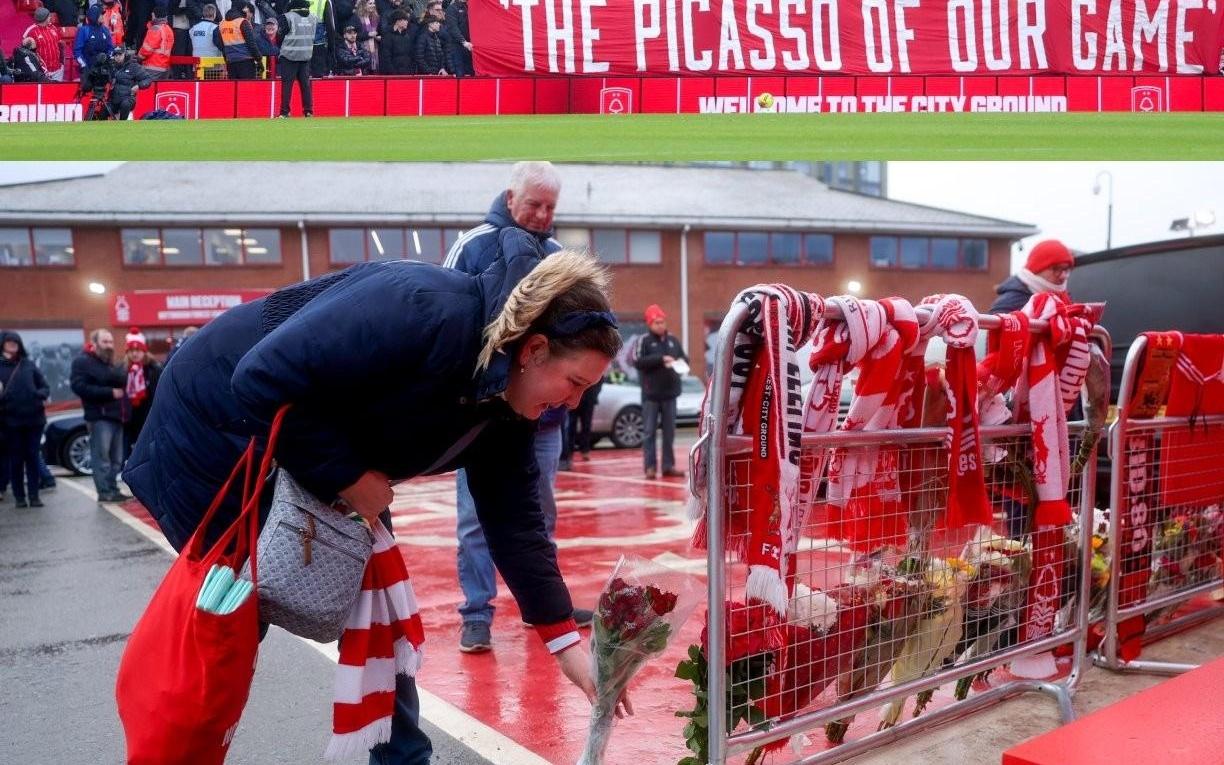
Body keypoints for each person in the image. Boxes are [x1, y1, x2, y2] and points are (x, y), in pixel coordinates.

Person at [124, 248, 628, 764]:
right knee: (229, 622)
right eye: (575, 384)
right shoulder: (418, 308)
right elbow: (260, 378)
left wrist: (562, 641)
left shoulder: (510, 399)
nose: (574, 405)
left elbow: (514, 519)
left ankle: (402, 760)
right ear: (534, 349)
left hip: (329, 455)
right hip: (221, 432)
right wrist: (348, 477)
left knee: (380, 613)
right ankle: (179, 753)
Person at [443, 162, 578, 653]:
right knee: (474, 519)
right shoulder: (472, 245)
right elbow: (447, 320)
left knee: (539, 514)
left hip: (544, 416)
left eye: (550, 207)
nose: (542, 215)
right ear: (510, 198)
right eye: (533, 204)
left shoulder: (559, 256)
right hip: (483, 413)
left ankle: (540, 607)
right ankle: (476, 614)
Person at [71, 329, 130, 502]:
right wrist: (109, 392)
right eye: (105, 342)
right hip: (99, 417)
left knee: (116, 459)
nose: (109, 345)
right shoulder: (82, 362)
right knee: (102, 457)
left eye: (111, 342)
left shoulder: (109, 362)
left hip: (117, 416)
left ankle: (112, 489)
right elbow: (79, 387)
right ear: (94, 343)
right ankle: (104, 492)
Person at [634, 304, 687, 480]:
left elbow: (684, 358)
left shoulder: (673, 340)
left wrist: (680, 363)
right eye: (657, 322)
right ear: (649, 324)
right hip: (651, 395)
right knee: (649, 432)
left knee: (669, 433)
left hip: (670, 394)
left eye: (662, 321)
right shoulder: (643, 341)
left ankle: (668, 466)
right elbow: (637, 361)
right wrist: (660, 359)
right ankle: (650, 467)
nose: (661, 325)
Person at [1, 332, 49, 510]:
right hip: (10, 421)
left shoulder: (28, 364)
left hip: (34, 420)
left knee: (32, 457)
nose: (13, 344)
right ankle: (19, 497)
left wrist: (38, 394)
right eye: (9, 341)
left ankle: (34, 496)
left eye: (16, 341)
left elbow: (45, 387)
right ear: (2, 344)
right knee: (16, 460)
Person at [989, 239, 1074, 314]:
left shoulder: (1065, 299)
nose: (1063, 276)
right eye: (1056, 269)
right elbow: (990, 327)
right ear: (1037, 268)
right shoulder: (1010, 302)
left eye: (1066, 269)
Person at [121, 328, 162, 461]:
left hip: (148, 415)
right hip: (129, 417)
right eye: (131, 351)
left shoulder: (153, 368)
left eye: (138, 350)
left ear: (144, 351)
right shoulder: (123, 369)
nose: (135, 354)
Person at [83, 46, 153, 120]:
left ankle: (122, 124)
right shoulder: (111, 66)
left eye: (120, 54)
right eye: (116, 55)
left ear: (125, 54)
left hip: (128, 98)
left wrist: (139, 86)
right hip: (113, 100)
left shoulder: (133, 66)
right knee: (102, 114)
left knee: (125, 104)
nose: (118, 57)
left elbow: (148, 79)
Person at [275, 0, 317, 117]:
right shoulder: (313, 18)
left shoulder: (287, 17)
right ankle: (308, 111)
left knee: (287, 85)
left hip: (289, 55)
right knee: (305, 85)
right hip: (306, 55)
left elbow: (279, 37)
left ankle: (284, 112)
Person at [559, 374, 601, 469]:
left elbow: (600, 378)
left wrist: (595, 394)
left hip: (589, 398)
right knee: (571, 426)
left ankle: (585, 450)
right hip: (573, 399)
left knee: (586, 425)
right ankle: (569, 453)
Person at [214, 1, 262, 79]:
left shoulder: (222, 24)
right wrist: (259, 60)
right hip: (246, 62)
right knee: (247, 86)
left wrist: (227, 57)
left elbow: (220, 43)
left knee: (234, 86)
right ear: (241, 9)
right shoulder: (243, 22)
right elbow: (251, 44)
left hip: (231, 62)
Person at [22, 8, 64, 81]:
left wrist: (61, 63)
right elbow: (24, 51)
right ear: (44, 18)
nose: (50, 17)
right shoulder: (31, 31)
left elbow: (60, 45)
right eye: (49, 16)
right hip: (42, 72)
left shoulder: (53, 28)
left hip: (58, 70)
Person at [74, 5, 115, 78]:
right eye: (100, 14)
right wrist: (83, 65)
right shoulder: (84, 30)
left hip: (103, 68)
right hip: (88, 69)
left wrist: (108, 59)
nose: (102, 16)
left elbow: (111, 47)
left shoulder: (105, 30)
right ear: (94, 16)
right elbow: (77, 51)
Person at [137, 7, 174, 78]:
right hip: (165, 67)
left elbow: (147, 49)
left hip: (152, 66)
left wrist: (138, 58)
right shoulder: (168, 29)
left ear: (153, 15)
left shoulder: (155, 29)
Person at [378, 9, 414, 74]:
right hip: (393, 74)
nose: (407, 22)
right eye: (405, 20)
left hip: (406, 72)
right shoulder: (387, 36)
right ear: (398, 21)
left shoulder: (407, 36)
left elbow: (410, 55)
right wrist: (393, 72)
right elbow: (386, 57)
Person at [442, 0, 470, 75]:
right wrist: (463, 41)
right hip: (457, 46)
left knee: (470, 73)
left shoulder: (469, 7)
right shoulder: (452, 9)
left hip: (470, 46)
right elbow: (453, 28)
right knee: (460, 73)